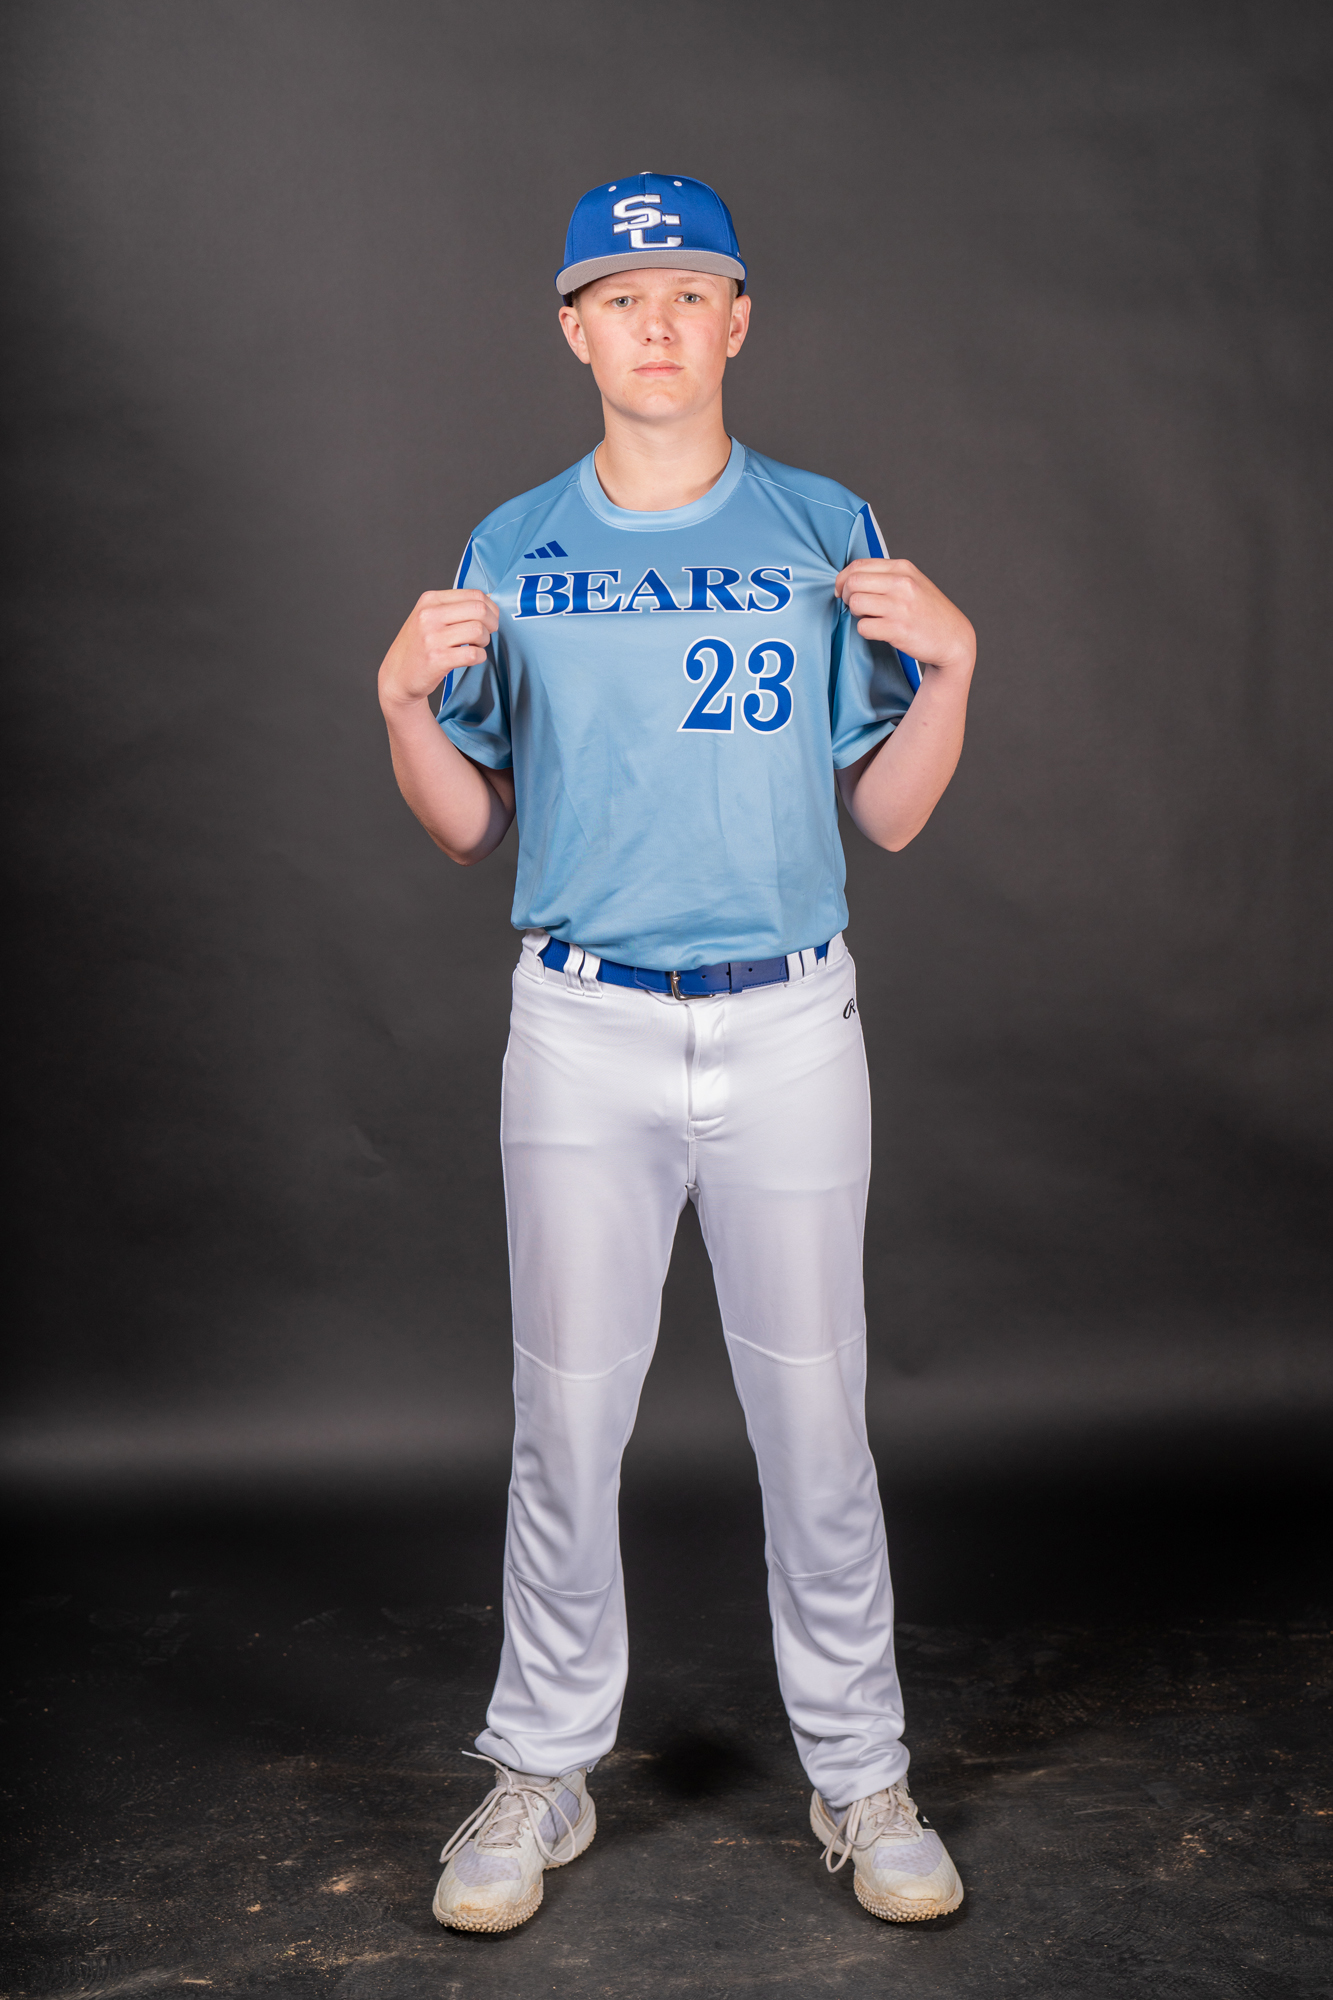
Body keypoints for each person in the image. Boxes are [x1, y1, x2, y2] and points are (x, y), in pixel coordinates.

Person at [377, 172, 976, 1933]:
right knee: (564, 1420)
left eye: (688, 291)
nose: (656, 321)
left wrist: (953, 673)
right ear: (574, 328)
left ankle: (862, 1774)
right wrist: (400, 701)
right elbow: (466, 828)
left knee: (816, 1420)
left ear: (736, 320)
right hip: (584, 1022)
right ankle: (541, 1765)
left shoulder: (819, 522)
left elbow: (889, 815)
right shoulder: (511, 543)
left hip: (787, 1017)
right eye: (621, 297)